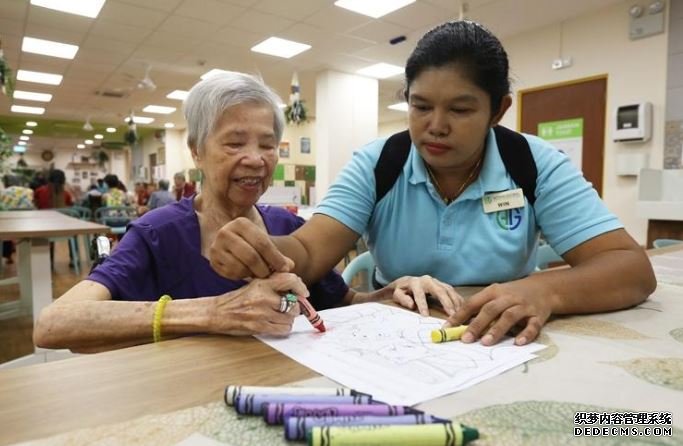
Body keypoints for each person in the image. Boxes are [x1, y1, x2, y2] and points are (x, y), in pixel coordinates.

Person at [207, 21, 656, 347]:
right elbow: (309, 251)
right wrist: (264, 251)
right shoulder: (380, 162)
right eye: (420, 106)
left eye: (460, 110)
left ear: (498, 111)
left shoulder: (533, 163)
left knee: (620, 426)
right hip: (395, 341)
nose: (435, 127)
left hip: (501, 339)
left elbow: (630, 269)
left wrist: (545, 289)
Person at [34, 72, 369, 353]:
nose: (256, 158)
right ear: (196, 151)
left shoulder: (289, 228)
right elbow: (53, 324)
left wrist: (393, 293)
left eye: (267, 145)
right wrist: (215, 312)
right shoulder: (158, 233)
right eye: (235, 143)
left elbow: (344, 301)